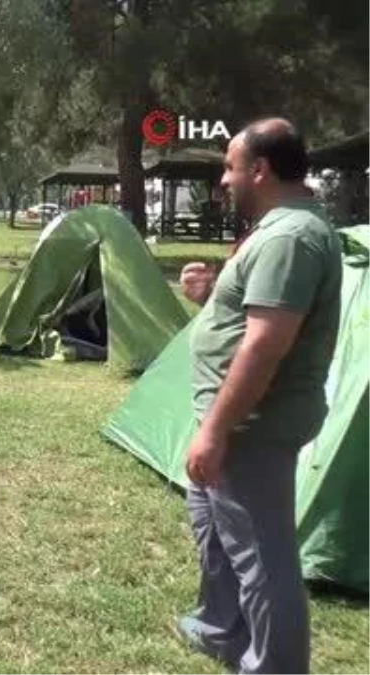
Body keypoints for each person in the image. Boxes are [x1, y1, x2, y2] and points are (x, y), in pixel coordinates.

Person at [175, 118, 343, 674]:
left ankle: (275, 666)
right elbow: (247, 321)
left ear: (259, 169)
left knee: (262, 557)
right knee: (215, 528)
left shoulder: (291, 237)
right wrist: (210, 298)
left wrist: (215, 431)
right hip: (237, 419)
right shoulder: (279, 230)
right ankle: (221, 627)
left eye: (229, 167)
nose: (224, 180)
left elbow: (265, 347)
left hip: (253, 424)